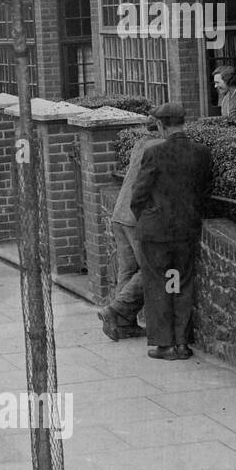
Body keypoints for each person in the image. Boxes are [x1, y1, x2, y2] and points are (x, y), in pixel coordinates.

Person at [129, 103, 213, 361]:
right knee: (181, 283)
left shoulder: (155, 153)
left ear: (162, 125)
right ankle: (182, 344)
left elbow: (139, 194)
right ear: (182, 122)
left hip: (156, 232)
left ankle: (164, 344)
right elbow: (205, 191)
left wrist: (145, 216)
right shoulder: (202, 152)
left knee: (159, 285)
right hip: (186, 230)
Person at [97, 127, 161, 341]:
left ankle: (123, 324)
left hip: (120, 212)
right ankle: (116, 309)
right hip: (136, 216)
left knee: (127, 269)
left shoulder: (139, 144)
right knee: (151, 268)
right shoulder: (158, 146)